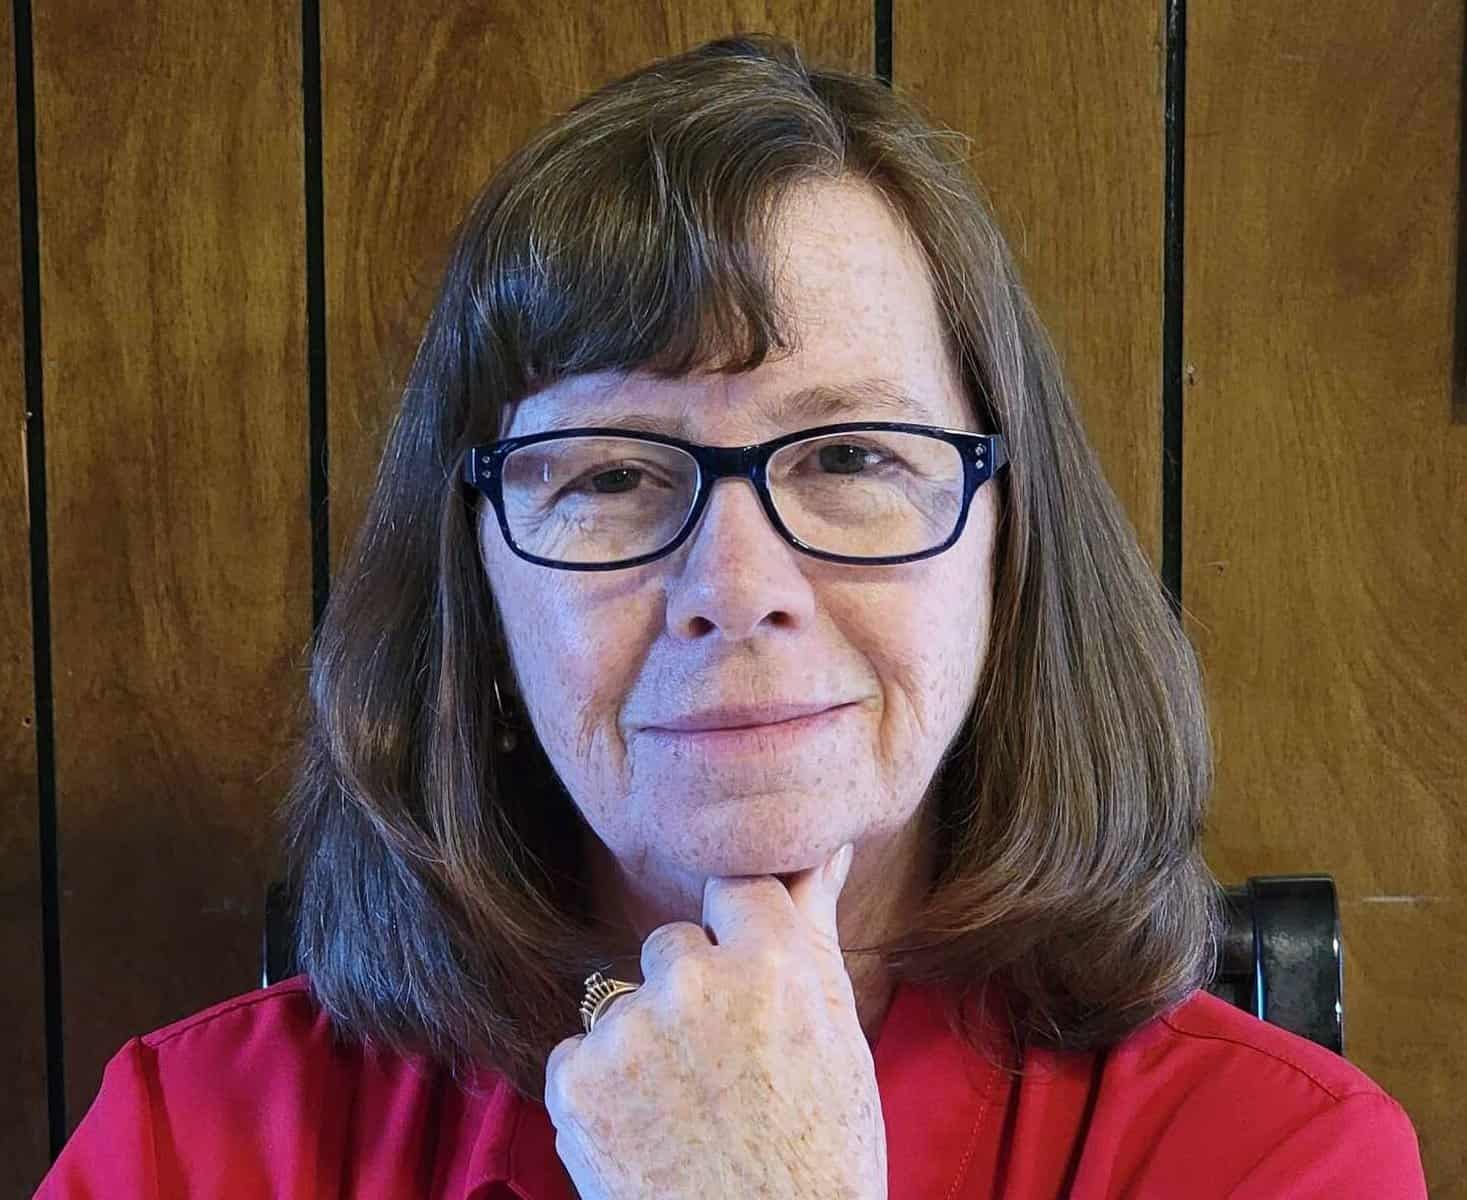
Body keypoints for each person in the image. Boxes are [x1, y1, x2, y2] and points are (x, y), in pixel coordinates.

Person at [37, 33, 1426, 1200]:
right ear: (480, 591)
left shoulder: (1275, 1155)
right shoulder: (198, 1139)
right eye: (611, 477)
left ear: (1008, 552)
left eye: (849, 457)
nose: (735, 590)